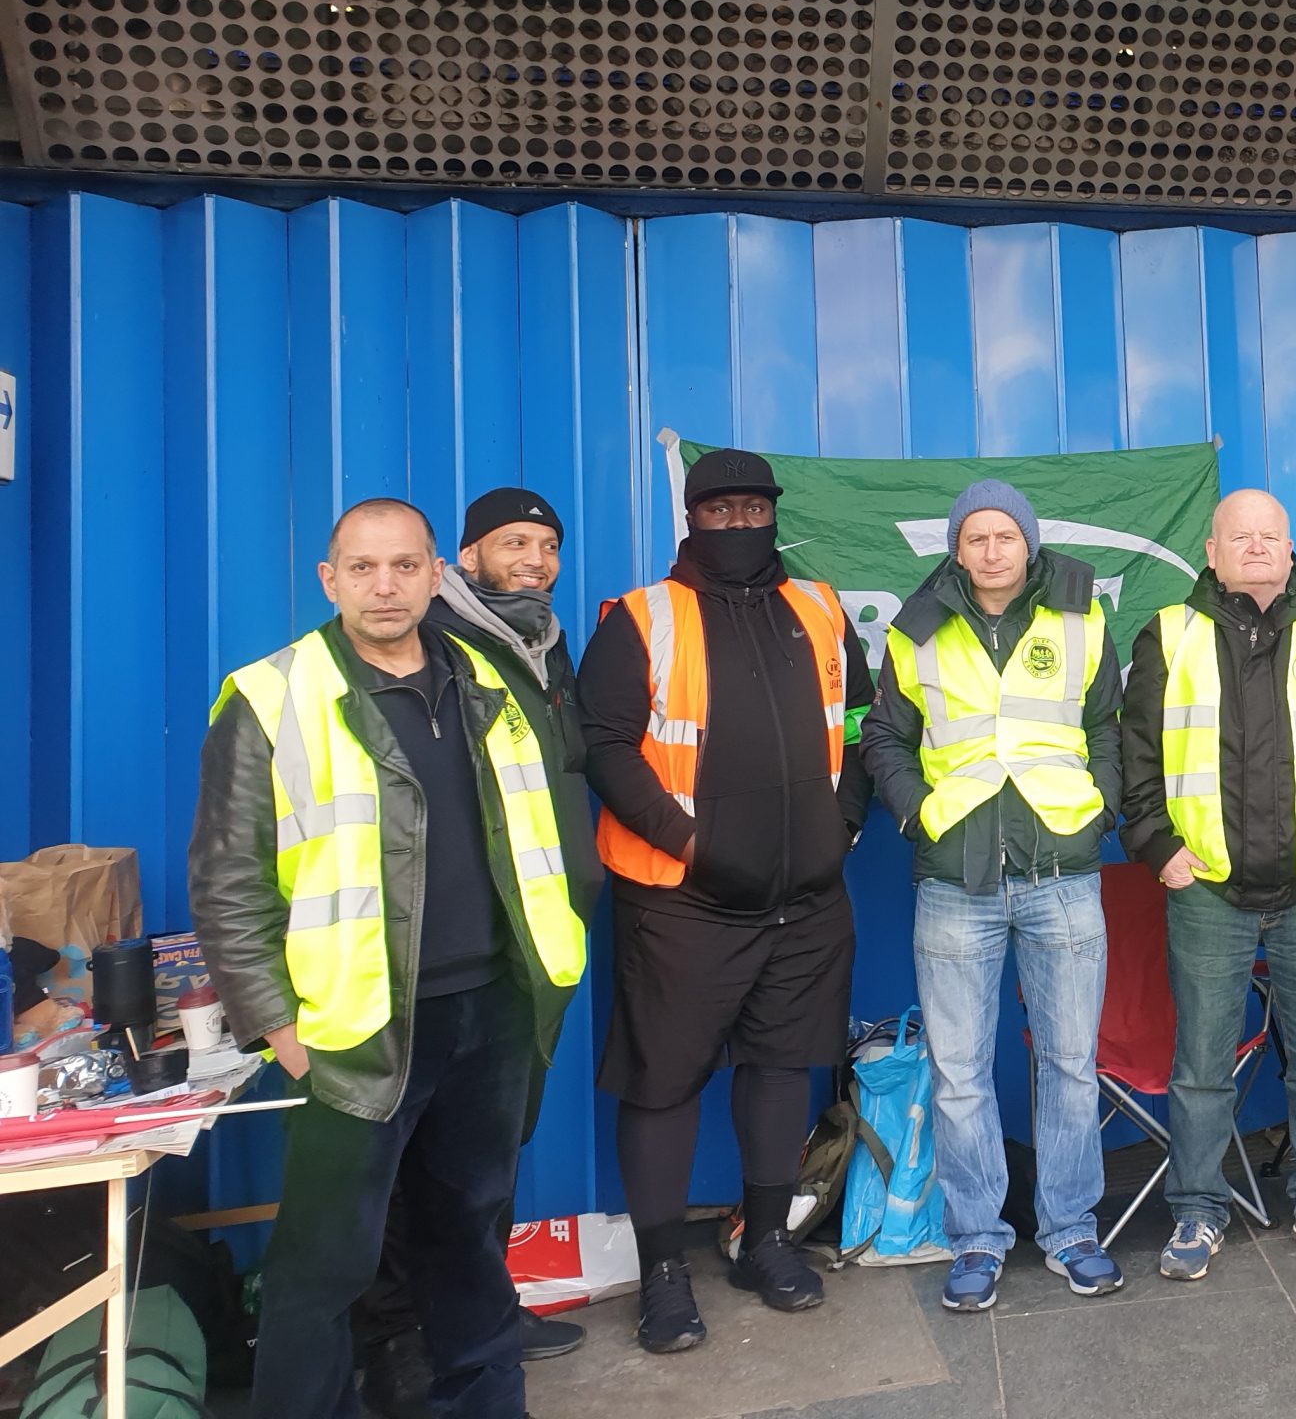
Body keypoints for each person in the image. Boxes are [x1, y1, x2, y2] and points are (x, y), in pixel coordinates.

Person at [191, 499, 589, 1419]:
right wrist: (279, 1031)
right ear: (329, 580)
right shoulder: (273, 696)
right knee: (324, 1270)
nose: (384, 586)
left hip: (489, 1013)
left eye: (404, 566)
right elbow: (226, 882)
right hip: (352, 1031)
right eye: (362, 568)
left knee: (469, 1244)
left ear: (436, 574)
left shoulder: (486, 683)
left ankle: (484, 1405)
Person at [579, 449, 873, 1353]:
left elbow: (862, 724)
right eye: (721, 512)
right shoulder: (643, 616)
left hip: (807, 897)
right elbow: (605, 745)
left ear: (774, 515)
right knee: (664, 1086)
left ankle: (766, 1238)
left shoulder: (819, 609)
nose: (740, 526)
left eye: (755, 510)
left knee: (784, 1067)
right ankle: (663, 1272)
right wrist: (695, 845)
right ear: (692, 519)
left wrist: (845, 824)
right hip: (684, 899)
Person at [354, 490, 600, 1414]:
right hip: (445, 950)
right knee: (417, 1159)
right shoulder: (447, 644)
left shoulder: (541, 641)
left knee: (488, 1148)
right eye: (513, 544)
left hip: (531, 944)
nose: (533, 560)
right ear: (464, 557)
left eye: (546, 544)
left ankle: (479, 1317)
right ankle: (404, 1342)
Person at [1122, 488, 1296, 1281]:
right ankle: (1197, 1213)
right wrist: (1157, 847)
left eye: (1268, 537)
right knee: (1203, 1065)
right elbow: (1135, 754)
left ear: (1290, 550)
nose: (1254, 548)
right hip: (1206, 888)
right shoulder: (1168, 635)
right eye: (1238, 538)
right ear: (1210, 552)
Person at [860, 480, 1126, 1313]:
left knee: (1072, 1065)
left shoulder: (1082, 615)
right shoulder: (916, 630)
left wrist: (1102, 812)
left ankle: (1072, 1230)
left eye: (1004, 535)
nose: (990, 550)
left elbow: (1110, 724)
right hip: (956, 880)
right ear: (956, 549)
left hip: (1063, 873)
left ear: (1030, 542)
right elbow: (884, 737)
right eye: (974, 537)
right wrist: (919, 815)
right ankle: (976, 1239)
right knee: (961, 1074)